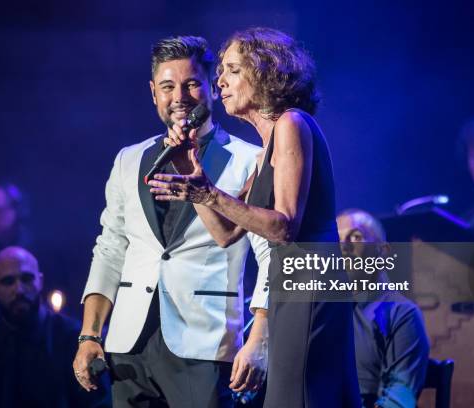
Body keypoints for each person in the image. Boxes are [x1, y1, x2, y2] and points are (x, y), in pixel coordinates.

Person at [148, 27, 360, 407]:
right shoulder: (267, 149)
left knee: (298, 397)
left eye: (231, 69)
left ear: (264, 71)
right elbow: (226, 232)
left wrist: (208, 193)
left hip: (310, 283)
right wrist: (192, 176)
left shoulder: (292, 124)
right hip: (290, 285)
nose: (220, 82)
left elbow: (283, 225)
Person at [72, 36, 270, 408]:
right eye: (167, 86)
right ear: (153, 93)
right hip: (129, 345)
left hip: (204, 343)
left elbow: (271, 256)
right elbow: (110, 249)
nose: (179, 96)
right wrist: (89, 335)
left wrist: (259, 338)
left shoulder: (249, 160)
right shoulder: (128, 160)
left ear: (213, 87)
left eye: (191, 83)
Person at [0, 246, 111, 407]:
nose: (18, 290)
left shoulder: (75, 341)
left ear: (40, 281)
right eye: (7, 281)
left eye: (26, 279)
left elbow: (99, 402)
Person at [337, 209, 429, 408]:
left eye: (356, 236)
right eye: (337, 239)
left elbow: (399, 399)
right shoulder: (323, 310)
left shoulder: (402, 314)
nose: (343, 246)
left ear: (382, 251)